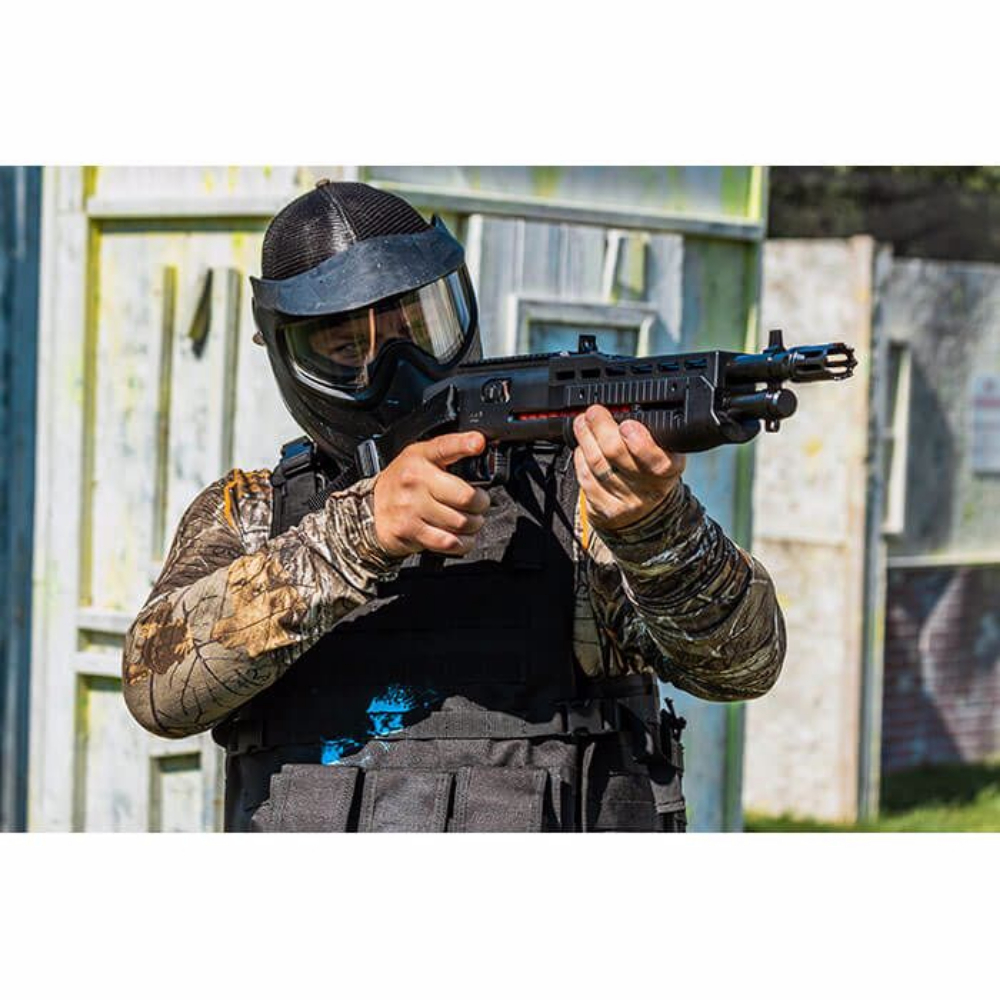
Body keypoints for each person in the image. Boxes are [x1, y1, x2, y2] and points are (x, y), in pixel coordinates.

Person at [121, 180, 786, 832]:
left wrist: (656, 528)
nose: (398, 368)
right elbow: (157, 690)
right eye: (348, 348)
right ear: (286, 353)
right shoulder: (255, 514)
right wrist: (356, 536)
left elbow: (744, 665)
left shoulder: (575, 504)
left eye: (420, 328)